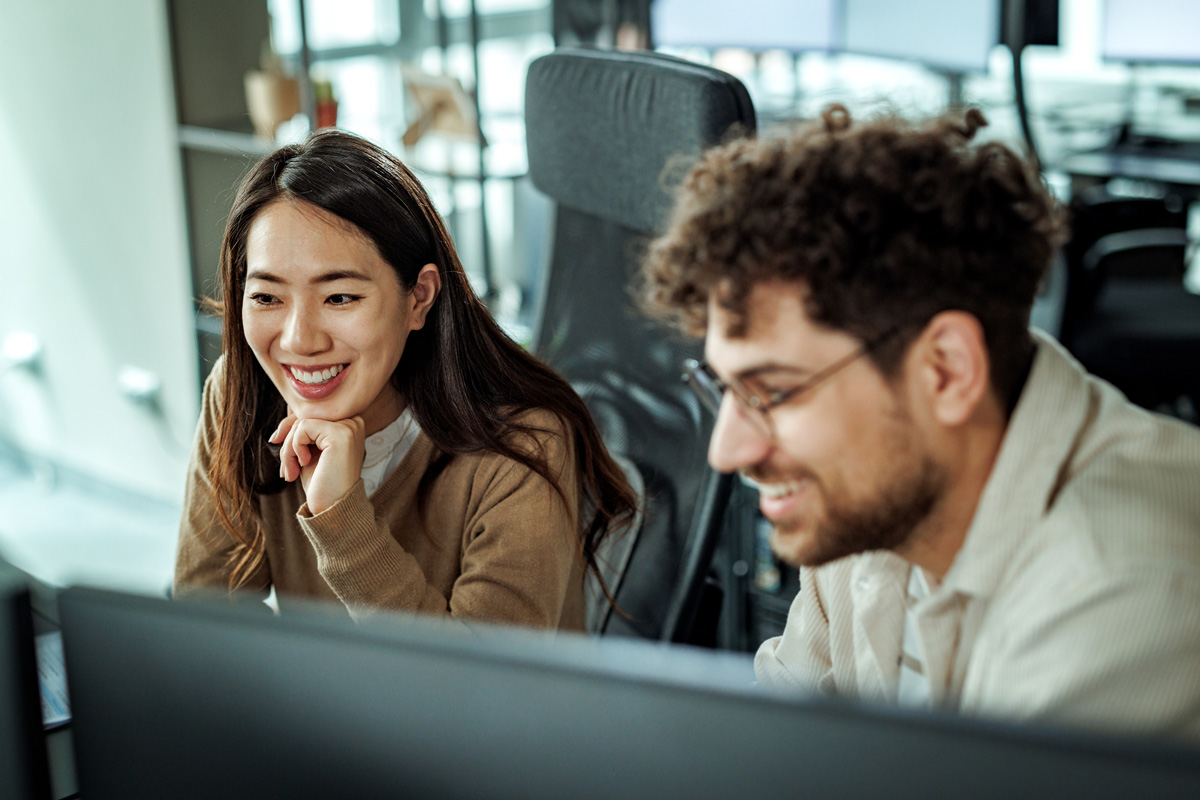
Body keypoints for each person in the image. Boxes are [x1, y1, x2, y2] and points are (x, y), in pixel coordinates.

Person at [640, 104, 1200, 740]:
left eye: (773, 391)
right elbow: (779, 755)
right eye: (724, 389)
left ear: (947, 372)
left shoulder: (1127, 594)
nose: (727, 451)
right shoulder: (873, 495)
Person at [175, 129, 636, 629]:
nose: (299, 340)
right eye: (267, 297)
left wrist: (340, 518)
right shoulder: (243, 391)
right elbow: (202, 624)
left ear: (418, 297)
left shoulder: (523, 445)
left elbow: (477, 693)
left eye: (340, 298)